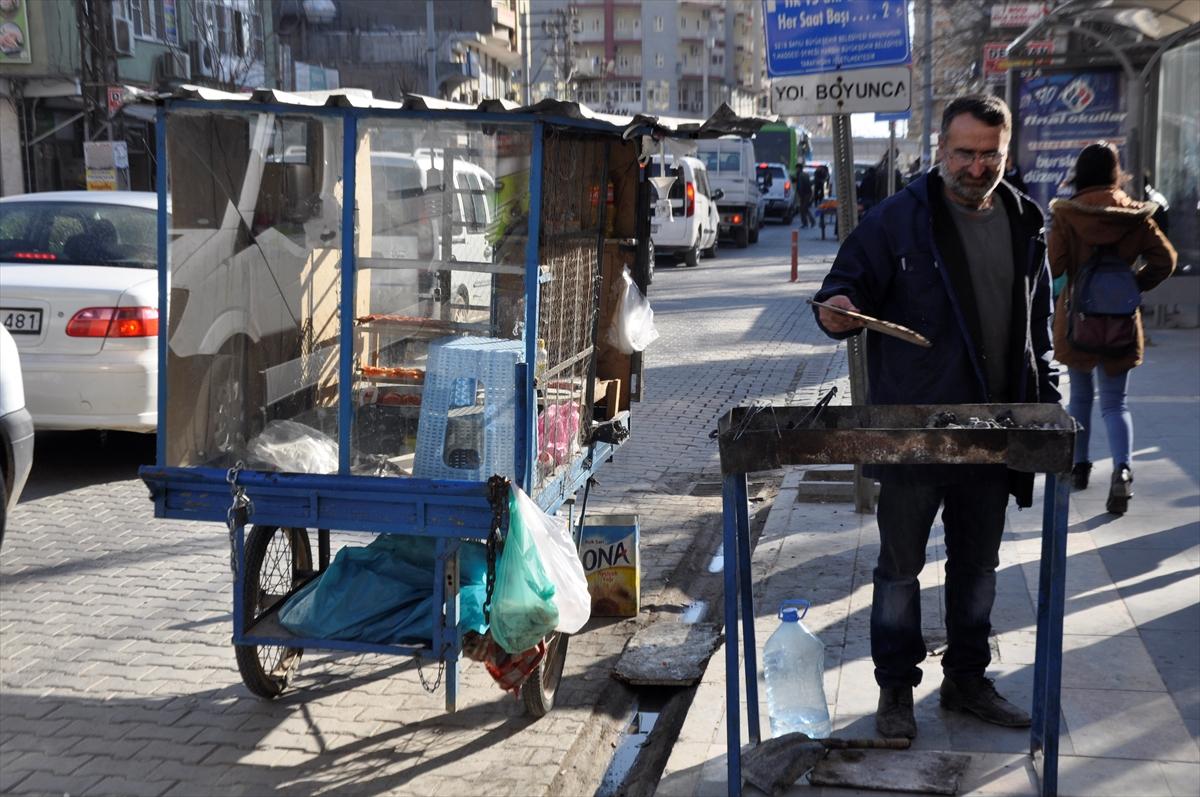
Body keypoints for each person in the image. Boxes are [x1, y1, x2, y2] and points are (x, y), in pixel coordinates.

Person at [812, 94, 1058, 739]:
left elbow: (1039, 327)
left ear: (1006, 152)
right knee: (899, 570)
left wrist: (1046, 402)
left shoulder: (1025, 218)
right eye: (963, 153)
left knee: (978, 568)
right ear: (940, 149)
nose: (976, 167)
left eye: (989, 155)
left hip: (993, 434)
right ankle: (895, 691)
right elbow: (843, 291)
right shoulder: (896, 220)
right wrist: (835, 308)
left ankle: (967, 682)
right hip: (914, 434)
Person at [1048, 142, 1176, 514]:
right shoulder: (1136, 215)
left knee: (1081, 398)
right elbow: (1165, 259)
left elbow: (1053, 266)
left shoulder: (1068, 216)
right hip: (1120, 322)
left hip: (1078, 320)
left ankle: (1080, 468)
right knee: (1116, 402)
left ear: (1080, 174)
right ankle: (1122, 470)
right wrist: (1133, 284)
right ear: (1115, 173)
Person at [796, 164, 815, 228]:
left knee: (803, 209)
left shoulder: (801, 175)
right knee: (804, 209)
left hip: (805, 194)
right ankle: (807, 222)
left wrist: (800, 194)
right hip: (807, 193)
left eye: (797, 168)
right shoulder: (804, 174)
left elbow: (800, 186)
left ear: (799, 168)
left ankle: (808, 222)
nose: (796, 170)